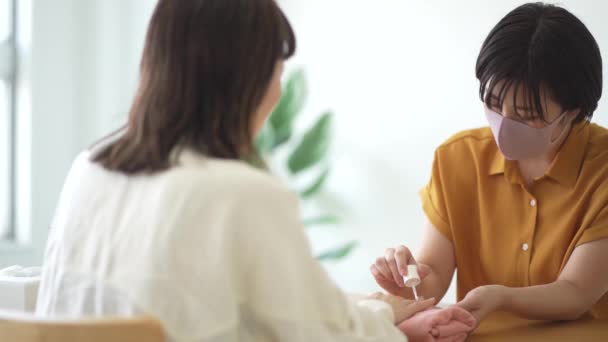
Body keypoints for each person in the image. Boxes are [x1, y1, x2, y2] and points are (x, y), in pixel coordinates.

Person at [35, 0, 436, 341]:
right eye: (277, 69)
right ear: (252, 78)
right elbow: (321, 335)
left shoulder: (89, 169)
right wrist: (385, 317)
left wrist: (372, 311)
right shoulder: (239, 192)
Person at [371, 2, 608, 326]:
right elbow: (434, 275)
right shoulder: (457, 158)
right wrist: (406, 280)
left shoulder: (602, 172)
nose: (504, 124)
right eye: (493, 104)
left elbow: (576, 292)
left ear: (572, 112)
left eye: (527, 115)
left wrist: (501, 296)